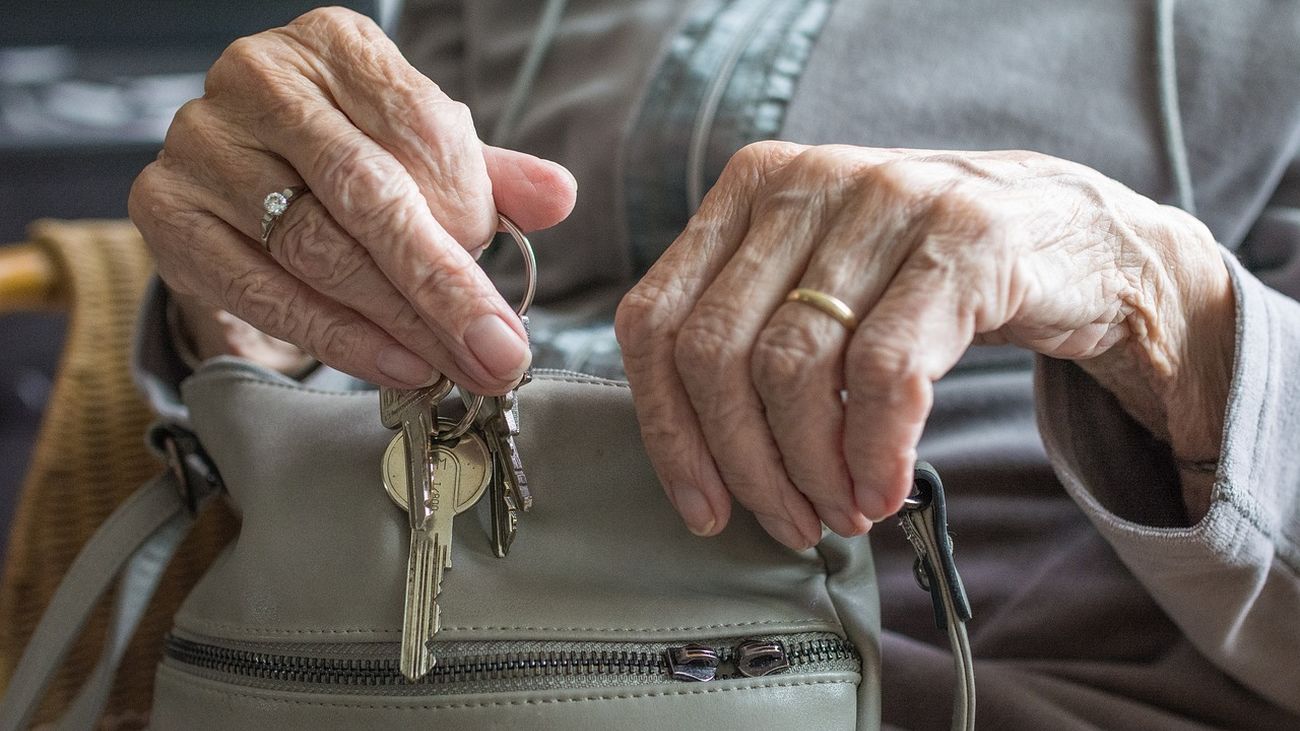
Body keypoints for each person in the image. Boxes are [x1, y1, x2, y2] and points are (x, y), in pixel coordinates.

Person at [126, 2, 1300, 727]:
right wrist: (256, 284)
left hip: (974, 680)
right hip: (322, 650)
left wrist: (1151, 291)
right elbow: (361, 284)